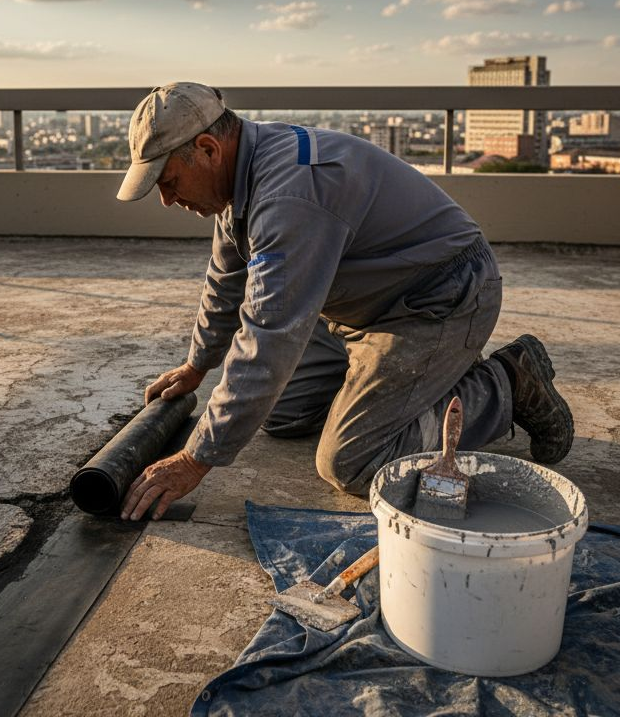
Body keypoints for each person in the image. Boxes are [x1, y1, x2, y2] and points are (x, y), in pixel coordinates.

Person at [117, 82, 572, 521]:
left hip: (438, 298)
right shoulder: (243, 172)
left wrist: (195, 460)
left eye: (170, 181)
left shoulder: (287, 195)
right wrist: (197, 367)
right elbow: (226, 277)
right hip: (364, 302)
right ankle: (389, 386)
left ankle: (507, 383)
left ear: (208, 150)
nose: (167, 199)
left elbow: (270, 334)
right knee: (279, 412)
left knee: (352, 460)